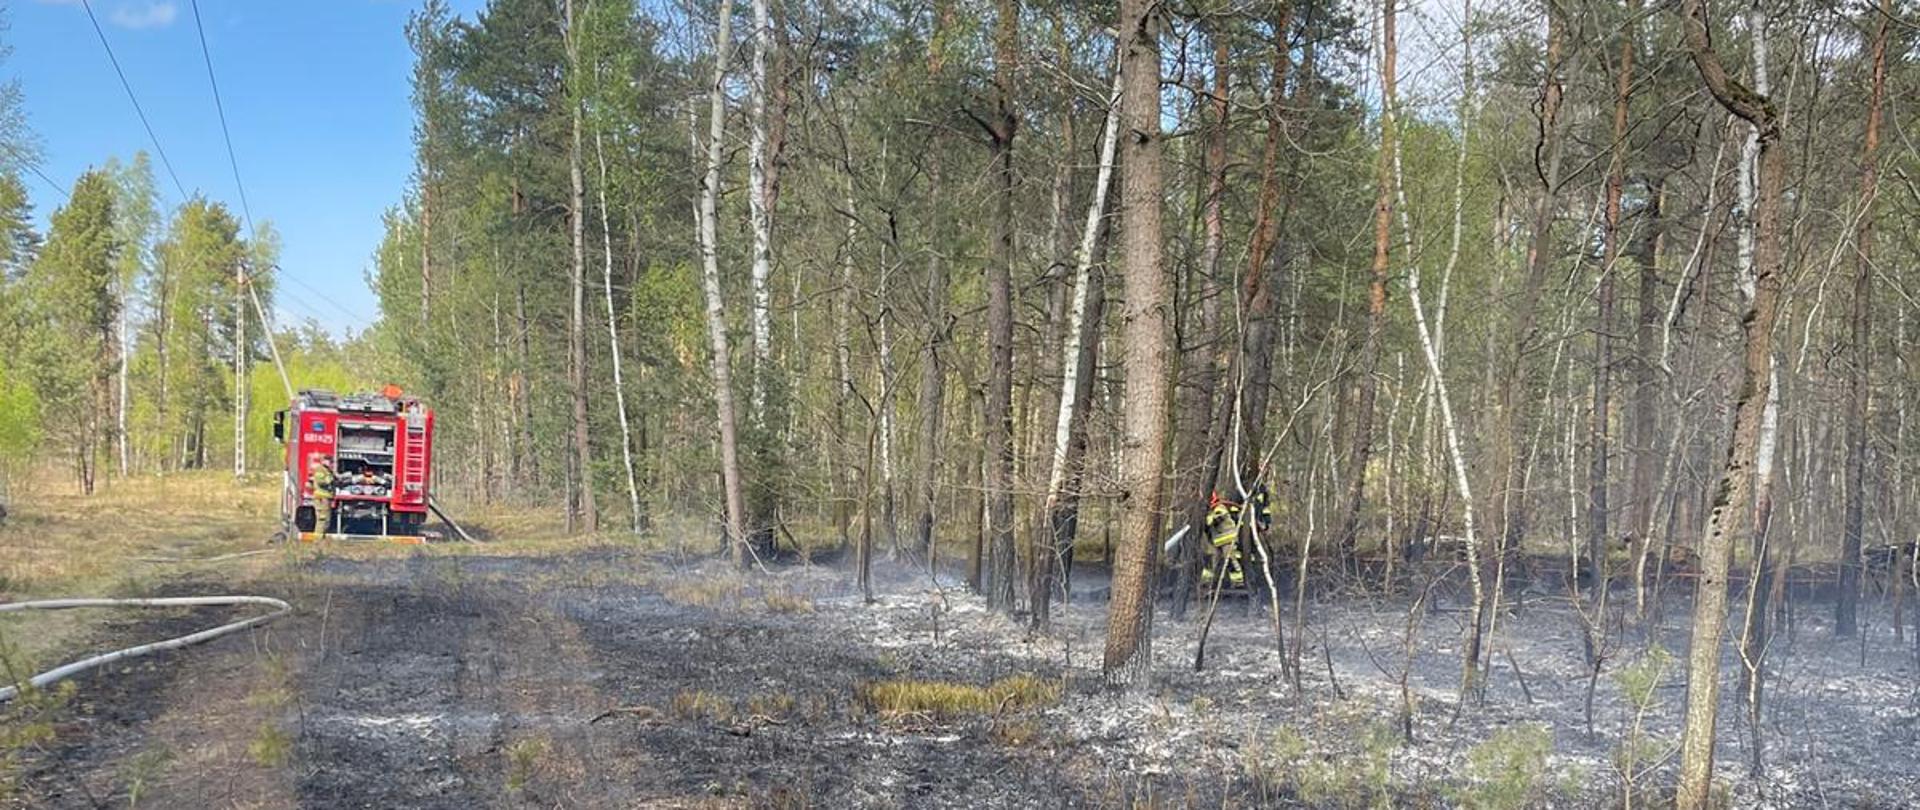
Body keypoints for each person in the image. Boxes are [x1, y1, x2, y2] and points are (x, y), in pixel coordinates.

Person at [310, 454, 337, 534]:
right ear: (324, 461)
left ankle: (321, 537)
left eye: (332, 462)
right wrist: (330, 479)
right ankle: (318, 539)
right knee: (322, 519)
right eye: (330, 462)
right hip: (321, 498)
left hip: (326, 498)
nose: (332, 464)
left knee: (326, 520)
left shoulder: (327, 471)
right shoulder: (320, 470)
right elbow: (321, 481)